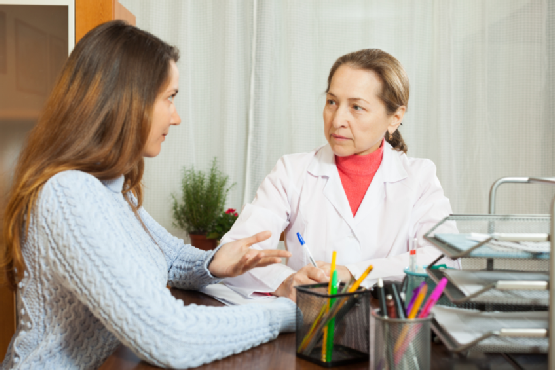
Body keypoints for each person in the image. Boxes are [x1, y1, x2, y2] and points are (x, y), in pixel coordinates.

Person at [0, 21, 296, 370]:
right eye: (169, 98)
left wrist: (213, 263)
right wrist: (286, 312)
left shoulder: (109, 188)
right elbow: (170, 339)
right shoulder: (69, 194)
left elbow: (164, 256)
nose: (177, 117)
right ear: (128, 101)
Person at [222, 49, 459, 301]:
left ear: (395, 118)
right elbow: (234, 254)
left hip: (385, 328)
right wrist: (285, 281)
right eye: (332, 102)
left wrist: (352, 274)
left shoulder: (420, 177)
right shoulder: (292, 171)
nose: (337, 120)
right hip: (310, 323)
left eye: (356, 107)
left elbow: (443, 261)